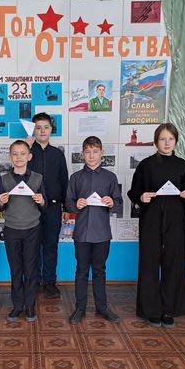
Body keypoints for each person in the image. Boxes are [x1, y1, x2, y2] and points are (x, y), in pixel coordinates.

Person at [127, 123, 185, 328]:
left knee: (173, 263)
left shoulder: (182, 165)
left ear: (176, 141)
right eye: (162, 139)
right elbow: (133, 192)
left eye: (171, 139)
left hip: (175, 219)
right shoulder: (146, 165)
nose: (167, 143)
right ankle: (151, 310)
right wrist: (141, 197)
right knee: (149, 263)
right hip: (151, 218)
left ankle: (169, 309)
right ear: (156, 141)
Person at [65, 136, 122, 324]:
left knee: (99, 270)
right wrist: (76, 205)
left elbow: (118, 202)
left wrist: (111, 202)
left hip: (102, 233)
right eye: (88, 152)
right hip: (81, 233)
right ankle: (80, 308)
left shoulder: (110, 177)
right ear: (82, 154)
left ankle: (102, 307)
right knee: (81, 270)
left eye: (95, 151)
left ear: (102, 153)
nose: (91, 156)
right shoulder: (75, 178)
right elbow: (68, 202)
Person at [0, 140, 46, 322]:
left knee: (31, 269)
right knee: (15, 269)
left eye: (23, 153)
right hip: (12, 229)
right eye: (15, 154)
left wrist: (42, 201)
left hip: (33, 228)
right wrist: (1, 201)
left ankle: (30, 305)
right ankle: (18, 305)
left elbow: (44, 206)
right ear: (10, 157)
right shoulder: (4, 179)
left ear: (29, 156)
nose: (19, 157)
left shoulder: (38, 178)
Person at [27, 112, 69, 298]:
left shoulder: (58, 154)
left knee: (51, 245)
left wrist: (66, 208)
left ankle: (50, 282)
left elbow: (64, 180)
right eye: (38, 128)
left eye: (46, 127)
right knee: (33, 247)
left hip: (53, 207)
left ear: (51, 129)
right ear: (33, 130)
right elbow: (19, 174)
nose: (42, 131)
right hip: (31, 206)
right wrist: (27, 149)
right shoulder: (27, 152)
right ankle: (34, 281)